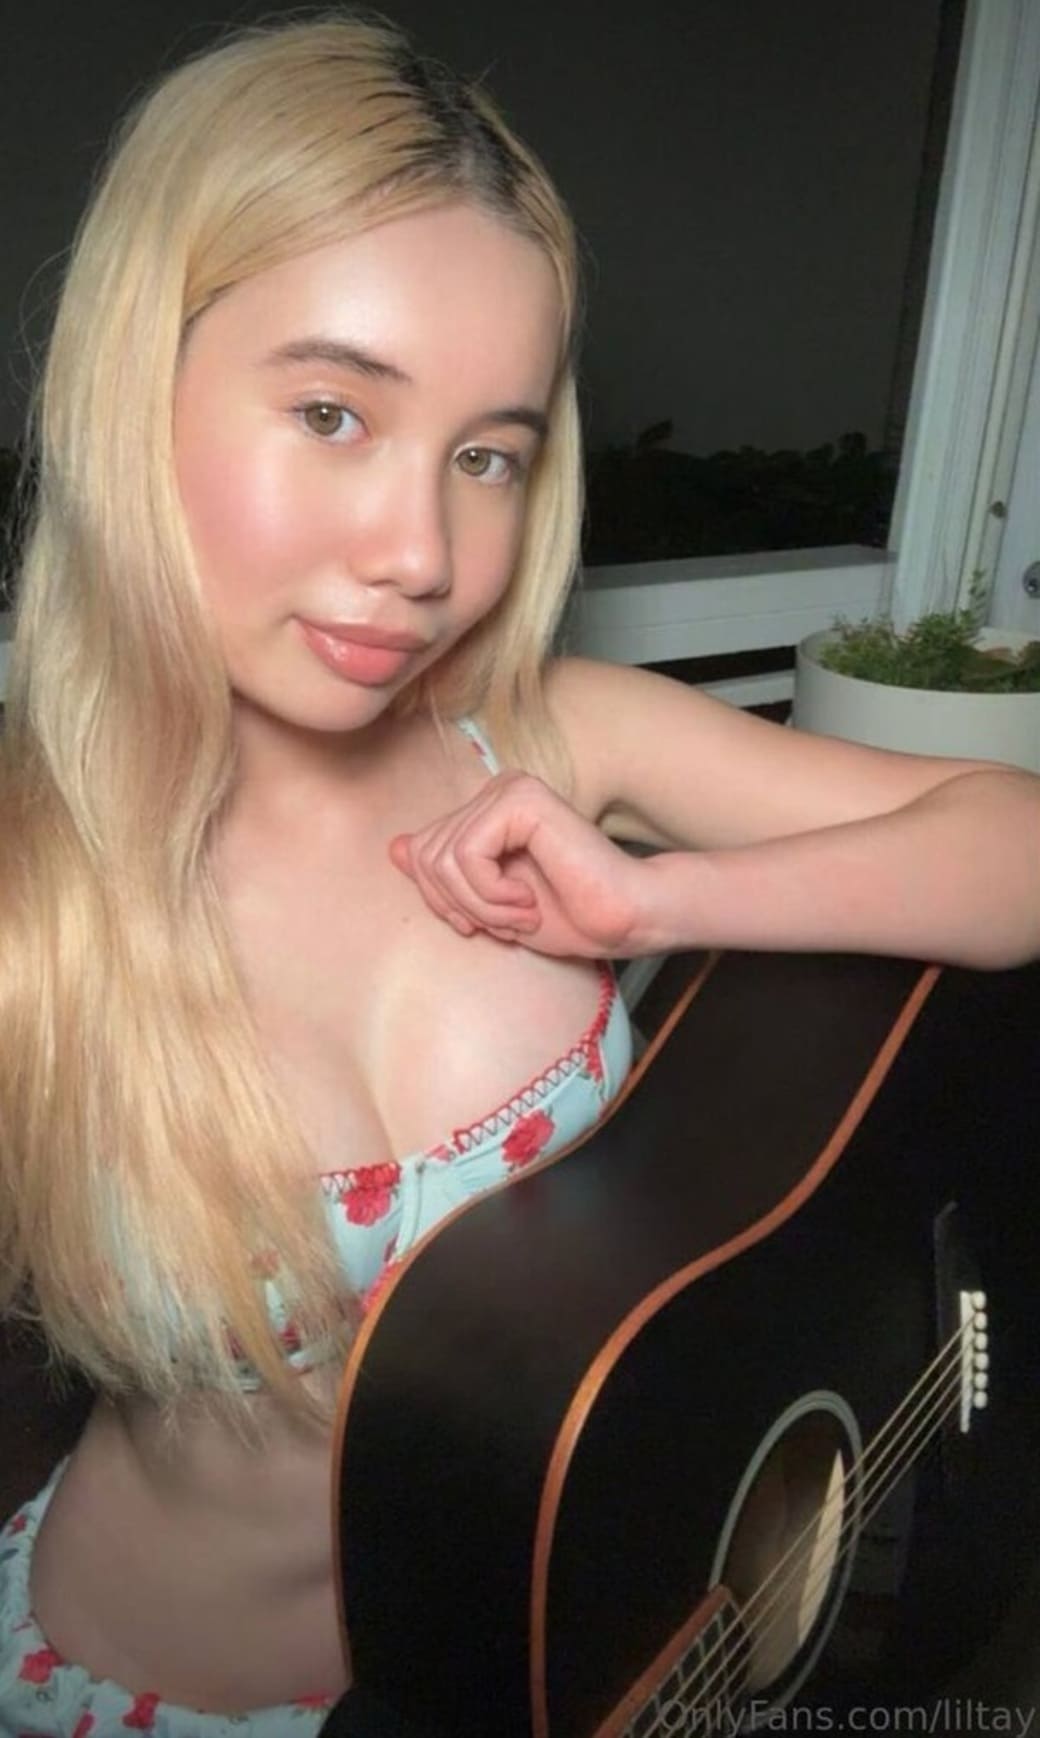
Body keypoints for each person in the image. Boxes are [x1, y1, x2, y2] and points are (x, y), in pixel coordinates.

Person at [0, 12, 1037, 1738]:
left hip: (576, 1653)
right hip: (151, 1688)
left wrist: (660, 904)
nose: (422, 555)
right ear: (132, 392)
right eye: (331, 412)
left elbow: (1015, 847)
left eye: (487, 454)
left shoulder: (550, 740)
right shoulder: (33, 896)